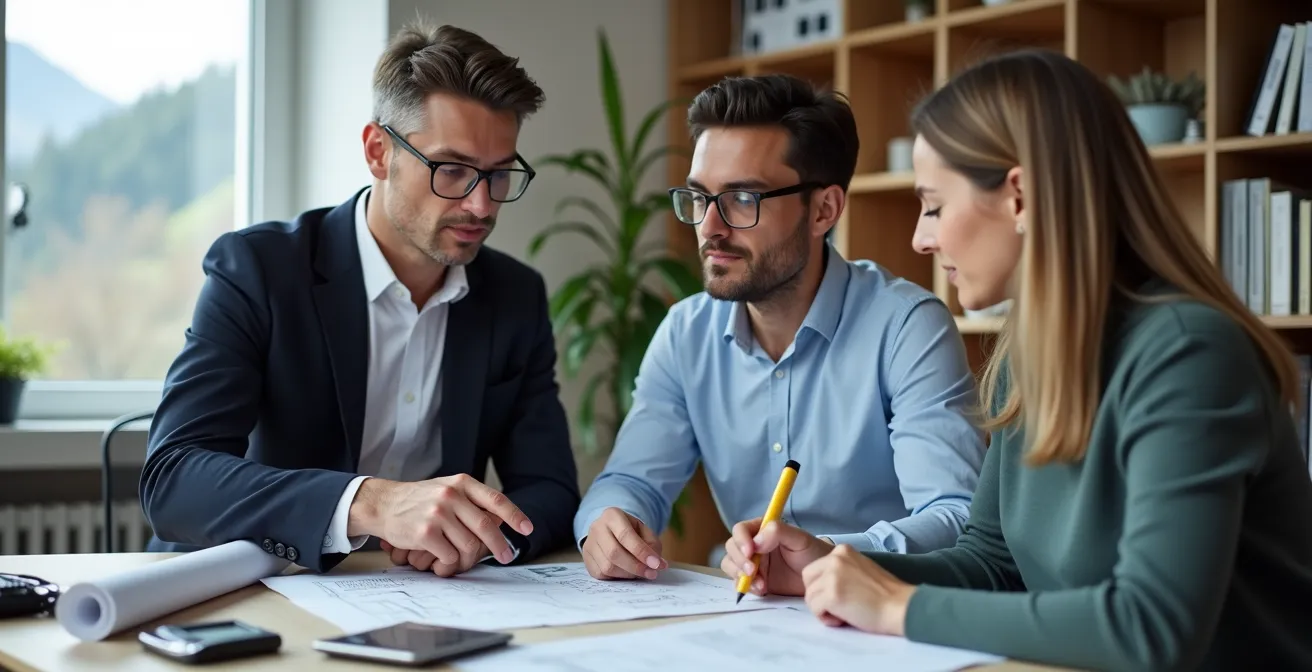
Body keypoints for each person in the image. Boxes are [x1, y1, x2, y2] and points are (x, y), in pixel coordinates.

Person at [718, 49, 1312, 671]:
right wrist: (828, 568)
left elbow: (1151, 627)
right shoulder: (1024, 356)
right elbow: (993, 564)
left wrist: (896, 607)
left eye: (935, 205)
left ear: (1021, 196)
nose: (922, 237)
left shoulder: (1190, 354)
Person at [140, 23, 580, 578]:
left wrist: (480, 536)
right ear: (378, 152)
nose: (482, 205)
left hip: (425, 596)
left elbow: (550, 489)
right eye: (452, 170)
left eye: (498, 175)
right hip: (248, 588)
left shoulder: (515, 296)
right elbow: (174, 480)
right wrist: (370, 503)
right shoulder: (259, 270)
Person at [574, 73, 987, 582]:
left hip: (881, 619)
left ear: (824, 210)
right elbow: (629, 479)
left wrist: (831, 556)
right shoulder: (686, 332)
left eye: (743, 199)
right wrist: (609, 524)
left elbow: (956, 516)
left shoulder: (907, 328)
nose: (709, 227)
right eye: (700, 197)